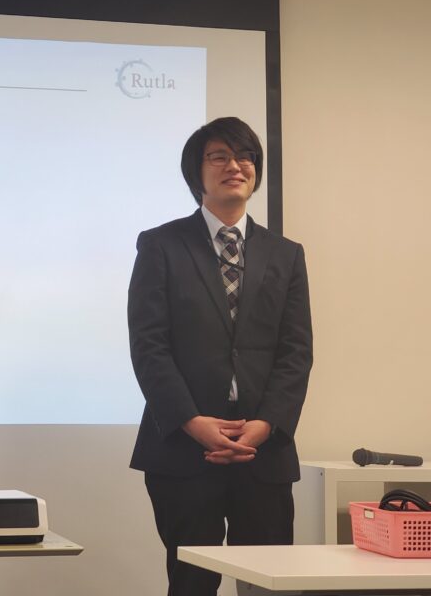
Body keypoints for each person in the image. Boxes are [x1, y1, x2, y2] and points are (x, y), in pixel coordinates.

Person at [128, 116, 313, 596]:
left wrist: (266, 424)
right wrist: (192, 422)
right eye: (220, 157)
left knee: (269, 585)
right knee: (191, 584)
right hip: (184, 451)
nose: (236, 166)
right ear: (197, 172)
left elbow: (296, 352)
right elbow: (149, 346)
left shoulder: (286, 254)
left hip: (263, 450)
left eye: (246, 156)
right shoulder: (161, 245)